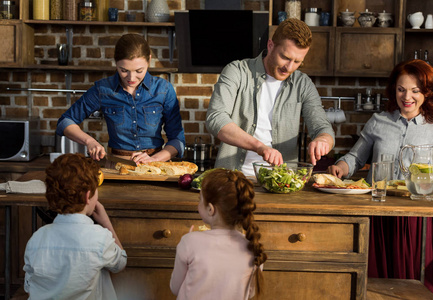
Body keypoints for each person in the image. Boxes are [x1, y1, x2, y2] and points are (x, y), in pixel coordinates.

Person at [327, 59, 433, 291]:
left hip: (416, 217)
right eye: (401, 89)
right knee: (375, 284)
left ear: (426, 92)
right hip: (376, 209)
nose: (407, 97)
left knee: (414, 284)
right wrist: (341, 168)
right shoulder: (378, 122)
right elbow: (355, 157)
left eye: (415, 91)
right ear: (393, 89)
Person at [205, 18, 335, 176]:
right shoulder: (237, 71)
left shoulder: (303, 84)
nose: (289, 67)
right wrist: (259, 147)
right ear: (270, 45)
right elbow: (215, 118)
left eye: (297, 62)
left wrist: (323, 140)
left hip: (282, 182)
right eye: (285, 57)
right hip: (232, 178)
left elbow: (323, 127)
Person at [56, 33, 185, 164]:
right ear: (116, 63)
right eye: (124, 70)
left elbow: (177, 140)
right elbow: (65, 122)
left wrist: (154, 159)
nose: (131, 78)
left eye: (139, 71)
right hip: (116, 165)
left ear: (149, 60)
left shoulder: (164, 89)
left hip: (156, 164)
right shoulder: (103, 89)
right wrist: (89, 141)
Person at [23, 153, 127, 299]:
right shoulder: (99, 238)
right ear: (87, 196)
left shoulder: (36, 238)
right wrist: (106, 223)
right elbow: (120, 263)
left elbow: (29, 286)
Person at [170, 169, 267, 299]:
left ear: (210, 209)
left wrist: (190, 239)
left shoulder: (189, 242)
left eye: (200, 200)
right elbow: (250, 293)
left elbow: (175, 288)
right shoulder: (254, 247)